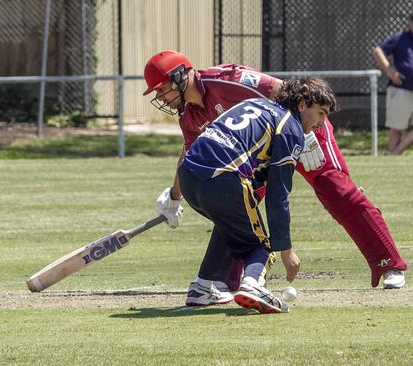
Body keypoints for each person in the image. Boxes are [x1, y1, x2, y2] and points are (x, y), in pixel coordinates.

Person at [144, 51, 407, 307]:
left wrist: (309, 137)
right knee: (235, 202)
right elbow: (192, 152)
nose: (160, 97)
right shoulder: (189, 114)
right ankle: (219, 280)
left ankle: (389, 265)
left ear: (181, 76)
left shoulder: (225, 79)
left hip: (303, 126)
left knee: (335, 188)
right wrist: (174, 197)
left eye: (162, 88)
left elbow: (286, 90)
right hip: (257, 153)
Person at [178, 78, 336, 313]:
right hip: (223, 177)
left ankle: (204, 286)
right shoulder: (289, 127)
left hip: (188, 177)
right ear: (302, 104)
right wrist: (286, 249)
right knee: (260, 245)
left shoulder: (256, 103)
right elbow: (277, 195)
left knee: (232, 223)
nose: (322, 123)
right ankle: (253, 284)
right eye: (321, 113)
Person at [373, 13, 413, 155]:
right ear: (410, 23)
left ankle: (394, 153)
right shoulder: (400, 38)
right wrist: (389, 70)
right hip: (400, 89)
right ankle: (393, 155)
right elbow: (378, 51)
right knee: (397, 127)